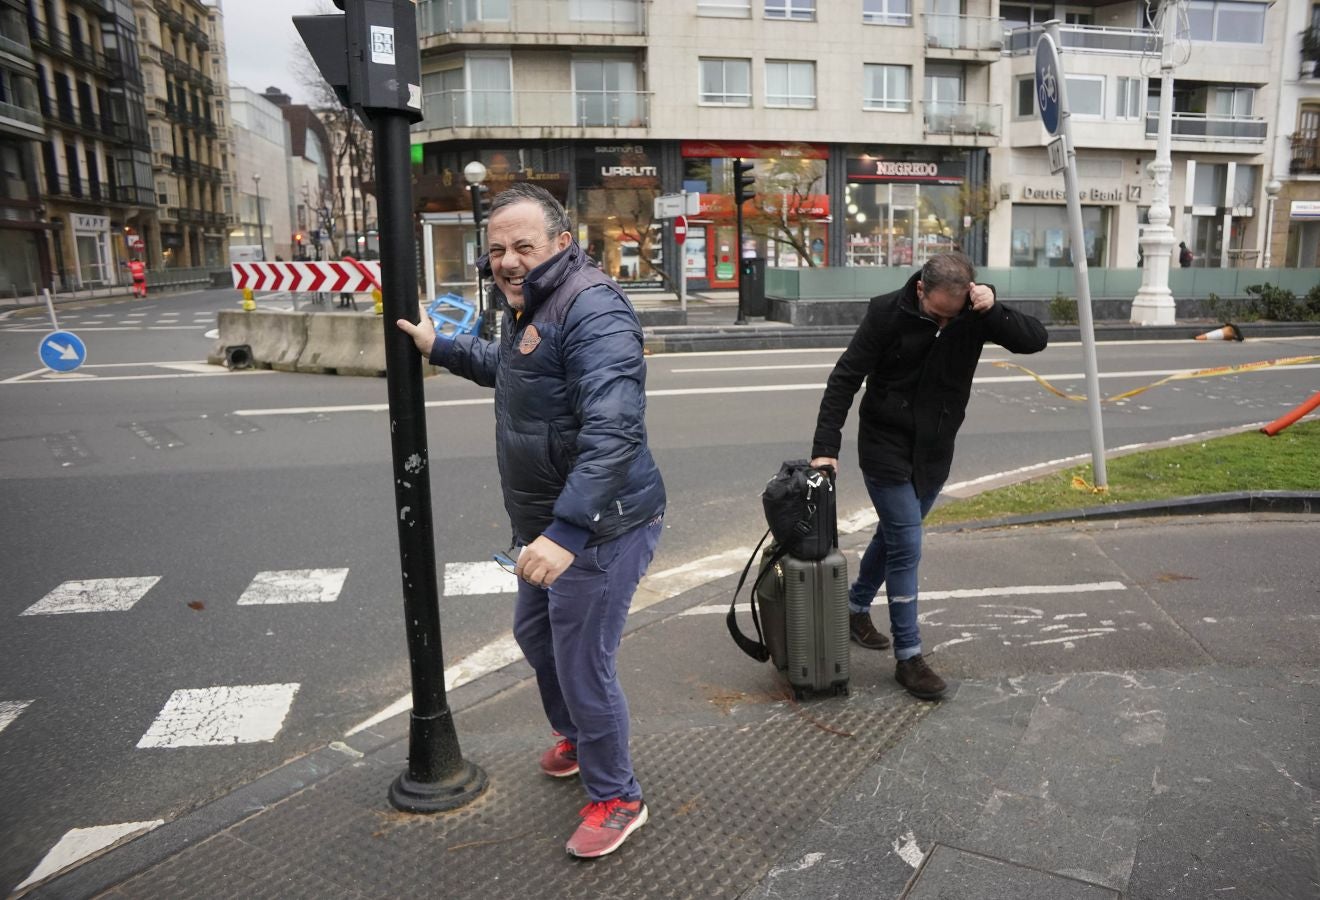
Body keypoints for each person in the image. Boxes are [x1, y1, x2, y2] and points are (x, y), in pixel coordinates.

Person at [396, 183, 665, 859]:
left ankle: (618, 796)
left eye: (523, 246)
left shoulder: (593, 308)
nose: (507, 260)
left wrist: (567, 533)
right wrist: (441, 346)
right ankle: (577, 738)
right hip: (549, 524)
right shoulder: (531, 306)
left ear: (562, 245)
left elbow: (614, 431)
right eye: (496, 249)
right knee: (534, 635)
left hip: (599, 529)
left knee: (583, 665)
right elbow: (512, 370)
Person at [809, 252, 1048, 701]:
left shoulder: (975, 314)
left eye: (950, 315)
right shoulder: (887, 312)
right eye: (937, 313)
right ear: (921, 289)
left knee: (897, 536)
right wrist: (825, 448)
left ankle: (855, 608)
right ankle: (909, 656)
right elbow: (845, 378)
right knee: (908, 546)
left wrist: (993, 308)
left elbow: (1035, 341)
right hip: (884, 445)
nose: (943, 321)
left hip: (935, 451)